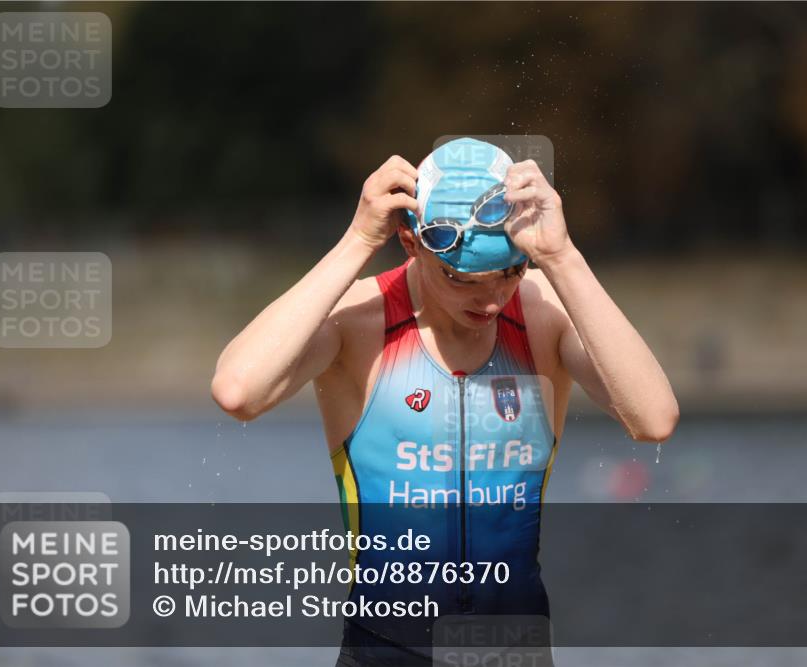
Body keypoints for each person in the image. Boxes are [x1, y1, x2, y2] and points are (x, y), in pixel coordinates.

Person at [211, 137, 679, 665]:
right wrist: (358, 241)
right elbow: (238, 391)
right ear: (411, 243)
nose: (490, 300)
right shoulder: (361, 321)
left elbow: (653, 419)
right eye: (461, 279)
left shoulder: (544, 313)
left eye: (509, 272)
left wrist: (562, 257)